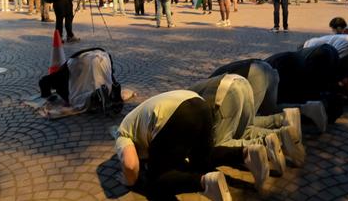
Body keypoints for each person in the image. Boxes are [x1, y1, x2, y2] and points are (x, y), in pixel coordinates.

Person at [115, 90, 269, 200]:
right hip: (198, 103)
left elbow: (130, 165)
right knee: (203, 158)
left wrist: (129, 182)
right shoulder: (136, 119)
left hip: (175, 115)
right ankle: (246, 153)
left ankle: (206, 184)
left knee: (157, 180)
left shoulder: (123, 133)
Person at [189, 74, 303, 174]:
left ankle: (260, 145)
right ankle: (280, 135)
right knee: (245, 129)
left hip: (224, 92)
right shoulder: (190, 91)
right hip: (242, 83)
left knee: (219, 144)